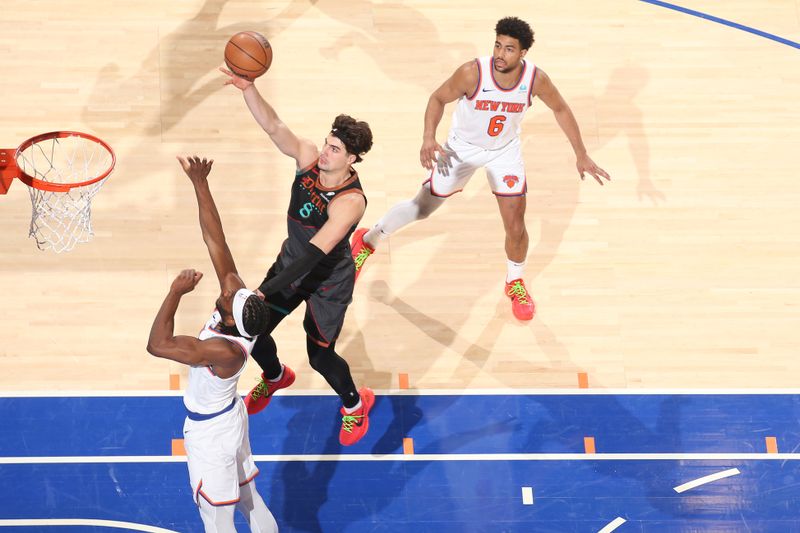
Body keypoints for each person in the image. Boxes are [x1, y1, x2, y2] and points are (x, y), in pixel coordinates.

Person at [349, 16, 610, 321]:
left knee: (515, 223)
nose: (501, 53)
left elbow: (561, 108)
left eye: (509, 49)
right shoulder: (473, 73)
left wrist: (581, 154)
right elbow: (437, 98)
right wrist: (428, 137)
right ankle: (367, 241)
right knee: (422, 208)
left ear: (523, 53)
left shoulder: (536, 80)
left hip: (504, 152)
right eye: (498, 45)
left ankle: (515, 282)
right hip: (461, 150)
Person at [220, 66, 375, 446]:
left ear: (352, 158)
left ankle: (355, 406)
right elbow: (274, 126)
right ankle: (276, 377)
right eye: (327, 143)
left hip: (326, 279)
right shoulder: (308, 159)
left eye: (335, 149)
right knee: (252, 330)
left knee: (319, 356)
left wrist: (265, 290)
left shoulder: (350, 201)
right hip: (292, 261)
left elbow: (312, 254)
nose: (325, 152)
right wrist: (248, 89)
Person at [147, 156, 278, 532]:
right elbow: (215, 238)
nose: (222, 291)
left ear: (232, 319)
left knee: (218, 517)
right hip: (230, 418)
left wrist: (175, 293)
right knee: (251, 500)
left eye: (223, 298)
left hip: (212, 436)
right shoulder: (241, 309)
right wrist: (199, 183)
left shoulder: (224, 352)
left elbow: (158, 344)